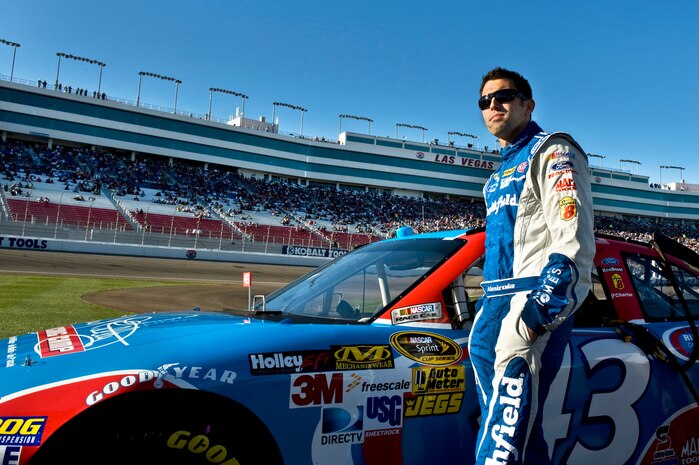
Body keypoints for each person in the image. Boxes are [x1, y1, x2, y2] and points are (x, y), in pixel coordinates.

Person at [467, 67, 594, 464]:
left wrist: (541, 308)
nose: (493, 106)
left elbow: (572, 240)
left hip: (529, 303)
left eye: (502, 97)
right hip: (493, 309)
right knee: (509, 427)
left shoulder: (553, 151)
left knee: (504, 438)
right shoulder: (495, 177)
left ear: (528, 104)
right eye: (484, 101)